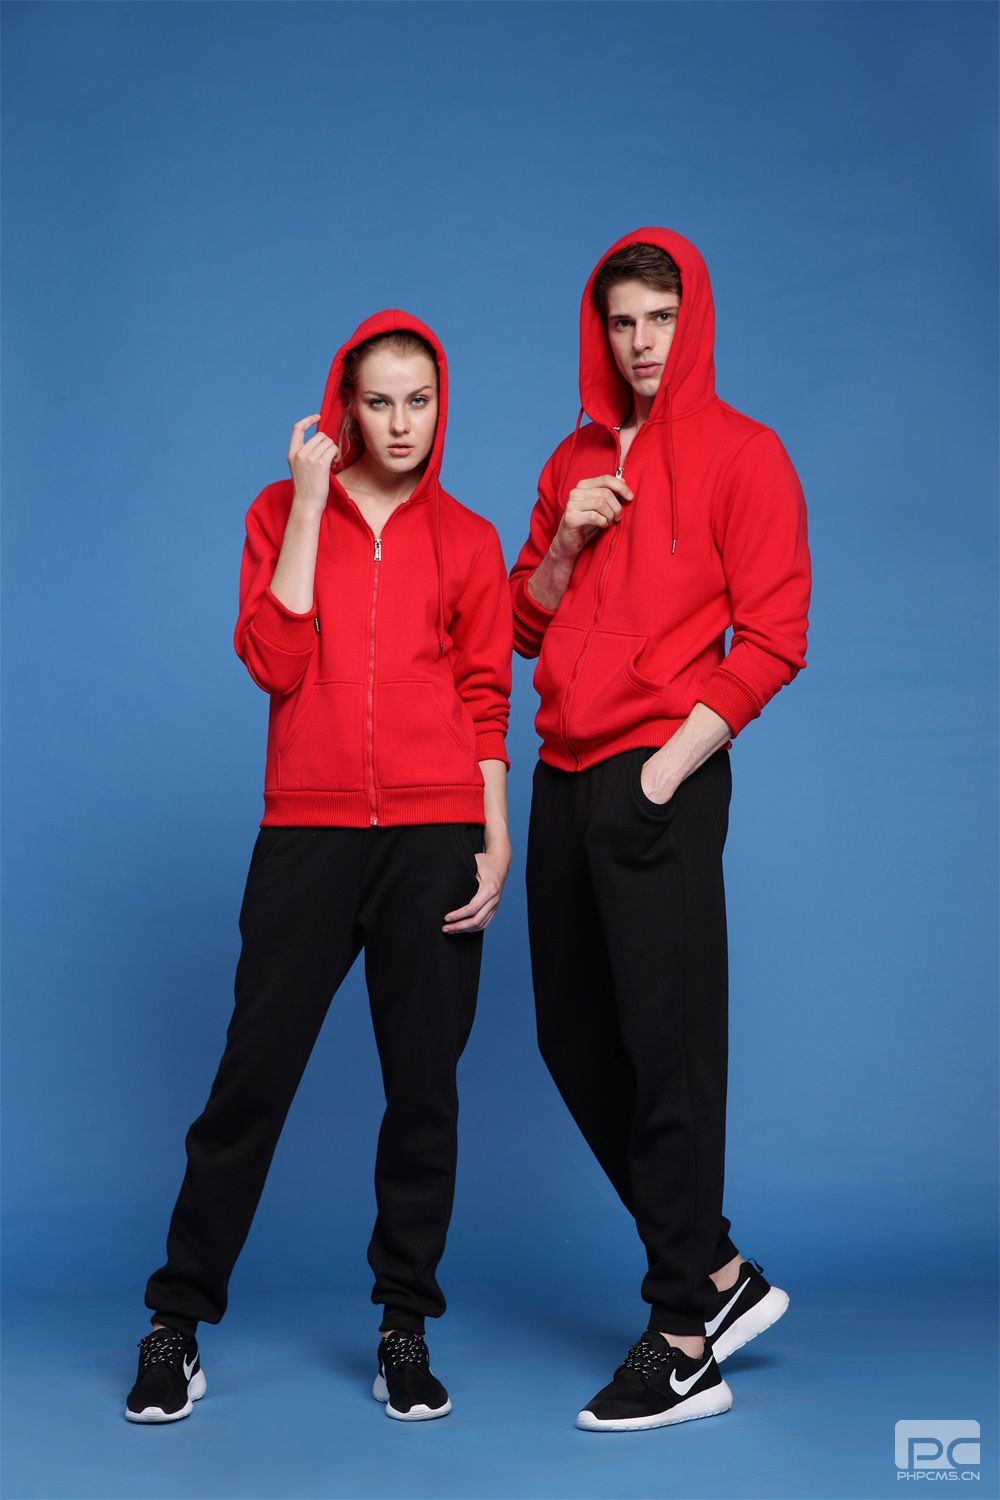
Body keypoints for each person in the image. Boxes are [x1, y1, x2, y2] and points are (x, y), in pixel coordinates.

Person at [125, 310, 513, 1425]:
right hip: (307, 832)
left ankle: (404, 1327)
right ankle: (176, 1324)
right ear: (345, 407)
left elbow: (486, 697)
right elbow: (274, 659)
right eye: (379, 401)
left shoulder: (469, 539)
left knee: (424, 1092)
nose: (401, 423)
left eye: (419, 401)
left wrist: (494, 837)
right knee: (251, 1081)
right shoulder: (276, 511)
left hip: (436, 835)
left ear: (441, 407)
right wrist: (305, 504)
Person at [509, 227, 811, 1433]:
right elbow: (522, 627)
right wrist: (565, 542)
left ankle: (685, 1340)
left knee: (668, 1045)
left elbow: (775, 636)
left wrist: (667, 770)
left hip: (659, 774)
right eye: (623, 322)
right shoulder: (571, 460)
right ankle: (718, 1271)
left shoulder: (746, 454)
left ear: (695, 323)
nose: (642, 344)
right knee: (572, 1038)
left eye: (661, 320)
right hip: (562, 770)